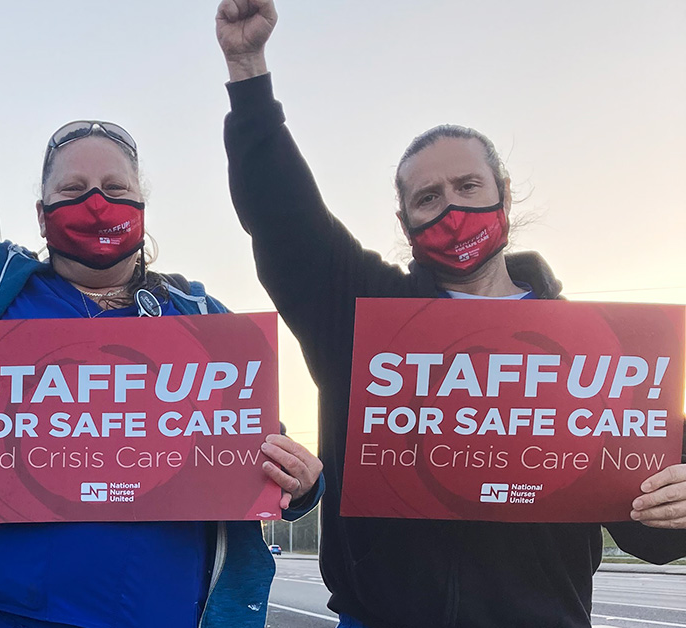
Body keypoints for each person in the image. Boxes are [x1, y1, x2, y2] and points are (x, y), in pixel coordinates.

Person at [0, 1, 325, 626]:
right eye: (73, 191)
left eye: (117, 189)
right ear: (41, 209)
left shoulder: (202, 315)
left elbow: (260, 458)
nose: (97, 204)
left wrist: (300, 482)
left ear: (144, 204)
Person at [215, 0, 686, 626]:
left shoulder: (597, 351)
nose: (451, 212)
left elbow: (648, 532)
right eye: (427, 198)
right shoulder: (361, 316)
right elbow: (284, 219)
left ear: (503, 195)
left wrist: (676, 508)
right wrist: (248, 71)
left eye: (468, 187)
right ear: (405, 221)